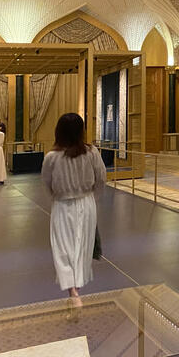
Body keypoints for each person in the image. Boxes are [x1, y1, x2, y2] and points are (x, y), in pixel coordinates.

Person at [41, 113, 106, 309]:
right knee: (82, 244)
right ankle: (77, 285)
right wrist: (93, 198)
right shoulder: (92, 152)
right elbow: (101, 177)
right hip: (87, 203)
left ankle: (72, 290)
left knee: (62, 247)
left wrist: (56, 197)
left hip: (62, 204)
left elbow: (47, 183)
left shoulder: (51, 157)